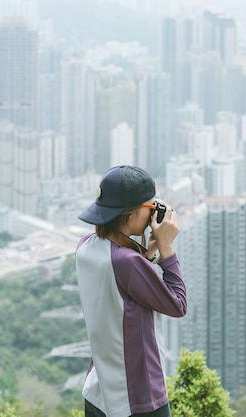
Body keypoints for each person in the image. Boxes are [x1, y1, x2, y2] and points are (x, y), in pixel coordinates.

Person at [75, 165, 187, 417]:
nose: (152, 215)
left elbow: (120, 293)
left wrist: (147, 255)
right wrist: (167, 250)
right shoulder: (127, 262)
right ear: (132, 213)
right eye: (150, 208)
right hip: (138, 397)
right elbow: (178, 305)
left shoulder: (85, 246)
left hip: (99, 388)